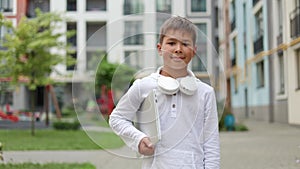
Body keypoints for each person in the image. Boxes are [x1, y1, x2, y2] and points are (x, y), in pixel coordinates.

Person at [109, 16, 220, 169]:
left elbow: (211, 143)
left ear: (194, 50)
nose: (178, 49)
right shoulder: (143, 86)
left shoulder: (205, 92)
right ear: (160, 48)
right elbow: (117, 118)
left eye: (185, 44)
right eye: (172, 43)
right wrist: (138, 139)